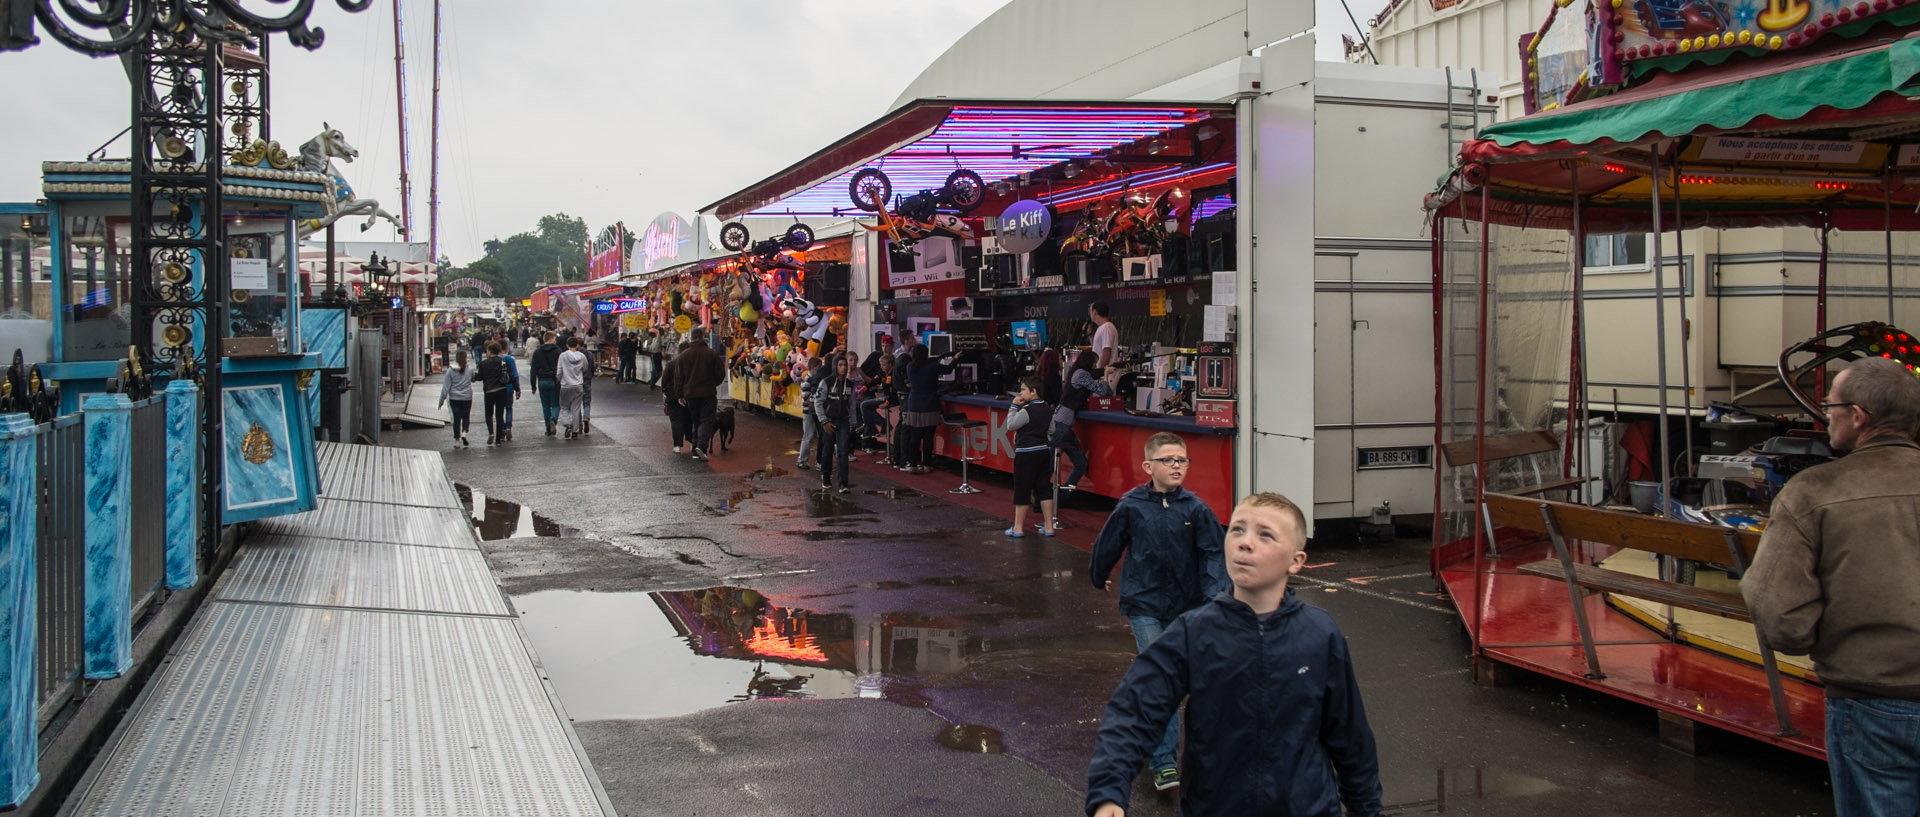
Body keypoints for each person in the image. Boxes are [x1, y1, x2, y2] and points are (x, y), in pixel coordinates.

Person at [1086, 492, 1382, 817]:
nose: (1244, 543)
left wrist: (1366, 809)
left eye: (1265, 535)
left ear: (1296, 560)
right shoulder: (1194, 631)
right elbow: (1135, 710)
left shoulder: (1319, 633)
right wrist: (1108, 792)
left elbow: (1350, 736)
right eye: (1237, 529)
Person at [1744, 357, 1920, 817]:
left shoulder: (1813, 492)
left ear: (1858, 417)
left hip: (1874, 702)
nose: (1825, 416)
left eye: (1831, 406)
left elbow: (1782, 618)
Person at [1087, 432, 1228, 791]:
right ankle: (1165, 762)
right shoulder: (1131, 505)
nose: (1177, 465)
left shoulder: (1196, 509)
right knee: (1163, 678)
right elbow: (1110, 542)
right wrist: (1099, 574)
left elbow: (1214, 554)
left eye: (1182, 460)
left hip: (1188, 606)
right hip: (1144, 603)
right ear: (1149, 466)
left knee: (1173, 680)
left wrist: (1215, 597)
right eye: (1168, 460)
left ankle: (1152, 737)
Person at [1054, 350, 1115, 494]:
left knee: (1080, 464)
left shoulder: (1077, 373)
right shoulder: (1082, 374)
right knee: (1056, 464)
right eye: (1094, 362)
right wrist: (1106, 374)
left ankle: (1059, 499)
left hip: (1062, 423)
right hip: (1062, 425)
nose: (1095, 365)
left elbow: (1107, 392)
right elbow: (1103, 391)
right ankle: (1047, 500)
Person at [1004, 376, 1056, 538]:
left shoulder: (1027, 410)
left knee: (1022, 489)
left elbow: (1011, 425)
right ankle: (1049, 526)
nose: (1021, 393)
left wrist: (1013, 406)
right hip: (1042, 452)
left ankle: (1018, 528)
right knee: (1044, 489)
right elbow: (1052, 430)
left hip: (1025, 453)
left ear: (1034, 392)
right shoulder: (1047, 408)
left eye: (1023, 390)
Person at [670, 326, 726, 461]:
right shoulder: (711, 354)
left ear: (691, 339)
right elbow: (720, 374)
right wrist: (713, 384)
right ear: (702, 338)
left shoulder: (683, 355)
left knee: (696, 421)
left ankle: (696, 449)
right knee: (706, 420)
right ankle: (701, 447)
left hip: (690, 394)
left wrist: (680, 394)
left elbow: (678, 377)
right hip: (708, 393)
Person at [813, 351, 863, 494]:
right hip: (828, 421)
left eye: (845, 365)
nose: (843, 367)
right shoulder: (826, 382)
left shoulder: (850, 385)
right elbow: (818, 402)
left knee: (842, 452)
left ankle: (843, 483)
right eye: (840, 365)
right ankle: (826, 478)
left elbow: (852, 405)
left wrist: (853, 423)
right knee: (827, 450)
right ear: (835, 366)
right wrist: (823, 421)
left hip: (843, 422)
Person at [900, 343, 952, 474]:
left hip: (914, 404)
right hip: (930, 404)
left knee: (914, 438)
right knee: (929, 437)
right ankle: (926, 465)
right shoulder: (933, 366)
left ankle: (912, 464)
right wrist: (955, 358)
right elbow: (948, 369)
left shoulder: (909, 367)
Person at [859, 352, 896, 456]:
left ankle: (883, 425)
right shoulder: (882, 373)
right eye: (880, 365)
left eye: (883, 365)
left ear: (890, 364)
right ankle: (872, 428)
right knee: (864, 405)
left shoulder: (895, 374)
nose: (881, 367)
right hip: (885, 397)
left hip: (892, 399)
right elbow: (874, 381)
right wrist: (864, 388)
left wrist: (887, 402)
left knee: (867, 405)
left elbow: (895, 392)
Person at [476, 341, 513, 446]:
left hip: (489, 391)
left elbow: (479, 377)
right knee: (499, 414)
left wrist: (471, 376)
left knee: (489, 413)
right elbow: (510, 375)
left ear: (490, 351)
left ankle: (491, 433)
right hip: (502, 390)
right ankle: (498, 439)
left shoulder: (484, 363)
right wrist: (516, 388)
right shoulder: (503, 361)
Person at [438, 348, 474, 447]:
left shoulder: (450, 371)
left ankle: (457, 440)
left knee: (456, 418)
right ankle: (464, 433)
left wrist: (441, 401)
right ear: (465, 358)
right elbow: (474, 378)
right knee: (466, 416)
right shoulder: (470, 369)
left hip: (454, 398)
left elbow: (446, 387)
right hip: (467, 397)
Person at [797, 356, 826, 471]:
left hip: (813, 411)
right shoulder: (808, 380)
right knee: (808, 435)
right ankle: (802, 460)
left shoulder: (813, 379)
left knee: (812, 435)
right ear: (813, 367)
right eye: (819, 367)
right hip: (809, 412)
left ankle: (813, 459)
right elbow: (806, 396)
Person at [556, 336, 589, 439]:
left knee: (564, 407)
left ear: (567, 345)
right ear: (577, 345)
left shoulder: (563, 356)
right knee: (576, 408)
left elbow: (559, 371)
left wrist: (559, 379)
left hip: (566, 385)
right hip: (578, 385)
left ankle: (567, 424)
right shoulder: (582, 356)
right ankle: (575, 431)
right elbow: (585, 368)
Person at [498, 343, 523, 442]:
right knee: (508, 408)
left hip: (498, 387)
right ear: (506, 348)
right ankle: (508, 426)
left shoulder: (495, 359)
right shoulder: (510, 359)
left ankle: (501, 430)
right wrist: (517, 388)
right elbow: (515, 374)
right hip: (508, 386)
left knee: (499, 410)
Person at [1089, 300, 1119, 371]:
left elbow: (1106, 353)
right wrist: (1089, 334)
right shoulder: (1103, 327)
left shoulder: (1106, 327)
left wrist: (1099, 372)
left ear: (1094, 311)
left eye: (1090, 311)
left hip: (1106, 376)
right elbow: (1097, 347)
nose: (1090, 314)